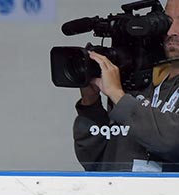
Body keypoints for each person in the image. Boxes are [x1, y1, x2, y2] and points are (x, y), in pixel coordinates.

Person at [73, 0, 179, 172]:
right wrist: (91, 105)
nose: (171, 31)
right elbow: (94, 160)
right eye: (167, 21)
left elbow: (172, 142)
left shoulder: (122, 97)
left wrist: (118, 96)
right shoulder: (139, 82)